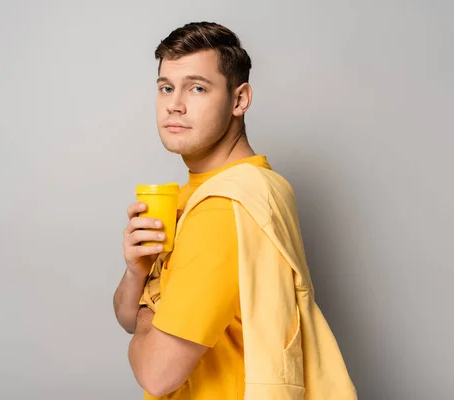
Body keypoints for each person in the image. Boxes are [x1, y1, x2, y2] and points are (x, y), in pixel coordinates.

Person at [113, 22, 356, 400]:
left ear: (240, 99)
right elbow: (129, 318)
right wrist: (137, 273)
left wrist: (149, 307)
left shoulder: (223, 207)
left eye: (197, 88)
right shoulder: (253, 185)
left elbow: (155, 372)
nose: (175, 103)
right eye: (166, 87)